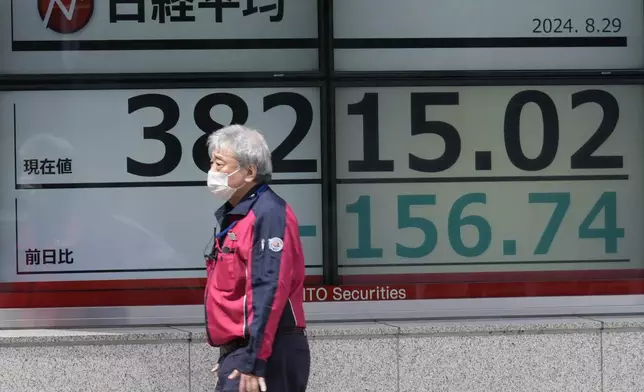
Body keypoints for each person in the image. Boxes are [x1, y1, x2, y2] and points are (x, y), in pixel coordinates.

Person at [203, 124, 310, 392]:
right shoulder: (238, 215)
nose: (212, 172)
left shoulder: (269, 214)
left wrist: (254, 358)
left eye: (219, 164)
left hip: (268, 350)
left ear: (249, 172)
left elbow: (269, 288)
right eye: (212, 163)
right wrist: (232, 353)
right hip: (246, 350)